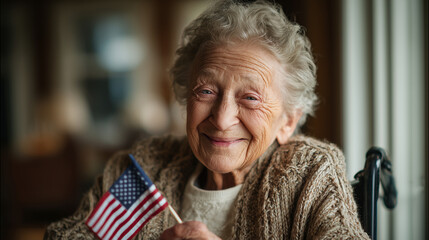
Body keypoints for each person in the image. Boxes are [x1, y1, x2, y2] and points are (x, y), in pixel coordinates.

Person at [45, 0, 369, 239]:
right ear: (187, 98)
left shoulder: (309, 172)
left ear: (288, 121)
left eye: (250, 98)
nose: (222, 118)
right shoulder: (143, 167)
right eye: (207, 91)